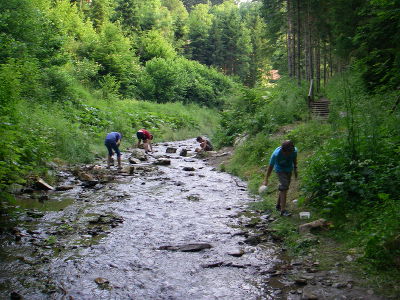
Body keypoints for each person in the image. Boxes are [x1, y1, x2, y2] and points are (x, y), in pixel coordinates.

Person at [263, 140, 298, 217]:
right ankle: (283, 210)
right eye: (287, 153)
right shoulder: (276, 154)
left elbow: (294, 160)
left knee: (284, 187)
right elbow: (270, 166)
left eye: (290, 152)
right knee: (284, 186)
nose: (289, 154)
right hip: (280, 170)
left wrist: (295, 168)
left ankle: (278, 205)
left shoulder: (293, 151)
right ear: (283, 150)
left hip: (288, 169)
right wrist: (266, 179)